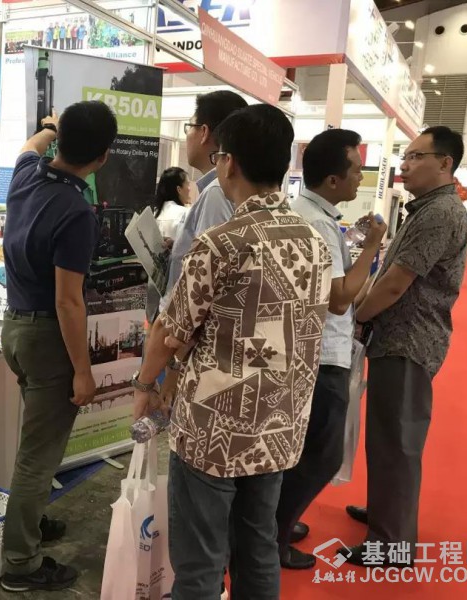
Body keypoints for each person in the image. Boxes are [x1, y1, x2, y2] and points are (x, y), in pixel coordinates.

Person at [132, 104, 332, 599]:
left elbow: (169, 330)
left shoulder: (222, 243)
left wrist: (144, 386)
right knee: (258, 545)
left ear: (229, 163)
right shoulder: (314, 242)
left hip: (213, 428)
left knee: (199, 563)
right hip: (279, 424)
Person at [0, 101, 118, 592]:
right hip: (48, 338)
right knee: (39, 457)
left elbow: (31, 145)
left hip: (14, 329)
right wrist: (83, 371)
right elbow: (69, 302)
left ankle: (27, 524)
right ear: (103, 157)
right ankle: (20, 564)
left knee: (36, 444)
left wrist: (49, 128)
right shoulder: (76, 212)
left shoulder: (25, 176)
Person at [342, 126, 467, 565]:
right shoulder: (428, 209)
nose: (405, 164)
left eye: (416, 157)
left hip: (409, 340)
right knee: (387, 438)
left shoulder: (439, 213)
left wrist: (357, 316)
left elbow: (396, 283)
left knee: (396, 441)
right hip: (401, 338)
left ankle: (391, 544)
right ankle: (387, 514)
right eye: (406, 156)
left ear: (444, 163)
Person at [276, 129, 387, 569]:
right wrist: (372, 248)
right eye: (356, 170)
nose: (361, 177)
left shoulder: (307, 212)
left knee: (301, 450)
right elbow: (339, 298)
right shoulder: (319, 224)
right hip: (322, 354)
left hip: (308, 349)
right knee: (322, 455)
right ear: (333, 179)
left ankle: (277, 523)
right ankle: (273, 535)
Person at [161, 90, 247, 310]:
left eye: (189, 127)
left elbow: (205, 279)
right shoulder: (224, 187)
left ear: (204, 132)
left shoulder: (216, 192)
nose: (187, 135)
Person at [154, 167, 191, 240]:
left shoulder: (154, 214)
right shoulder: (186, 213)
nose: (190, 189)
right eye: (188, 184)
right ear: (179, 189)